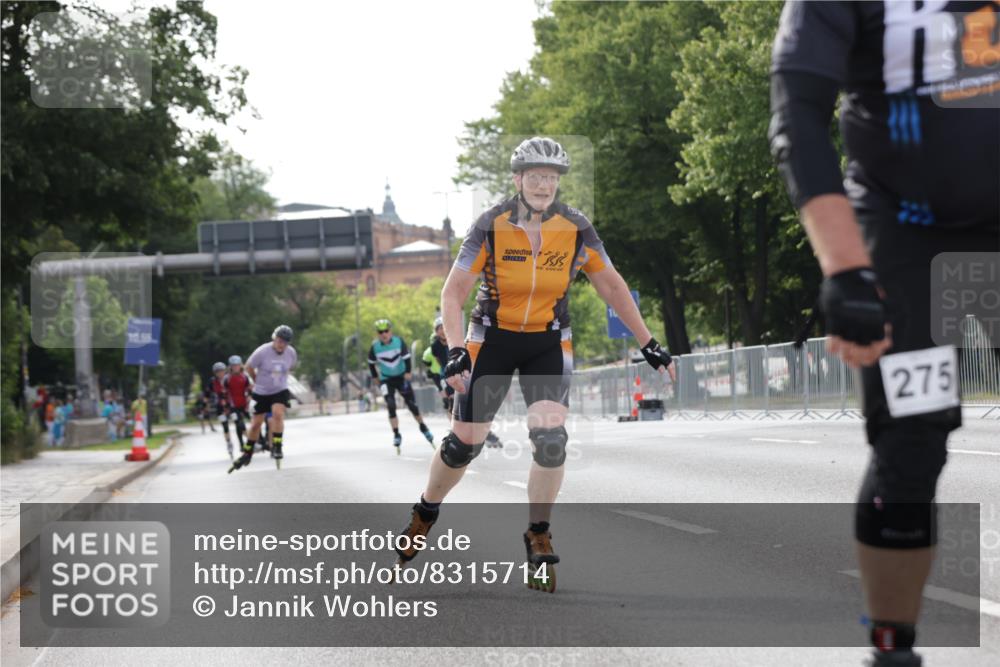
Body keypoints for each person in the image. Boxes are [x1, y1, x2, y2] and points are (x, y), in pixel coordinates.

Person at [769, 3, 999, 665]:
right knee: (911, 441)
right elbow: (798, 112)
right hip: (906, 235)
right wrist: (845, 268)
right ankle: (892, 649)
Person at [394, 136, 675, 591]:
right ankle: (426, 511)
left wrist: (648, 342)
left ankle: (538, 534)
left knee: (551, 439)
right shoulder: (489, 224)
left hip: (548, 338)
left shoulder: (576, 227)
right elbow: (454, 292)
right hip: (493, 337)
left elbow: (612, 286)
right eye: (535, 176)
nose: (544, 185)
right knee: (464, 443)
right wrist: (455, 349)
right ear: (518, 179)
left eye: (551, 177)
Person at [423, 317, 502, 448]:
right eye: (439, 329)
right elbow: (438, 363)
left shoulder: (456, 341)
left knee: (471, 403)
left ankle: (484, 431)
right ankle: (456, 430)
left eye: (444, 327)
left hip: (463, 374)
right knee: (451, 402)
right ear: (436, 332)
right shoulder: (434, 346)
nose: (442, 331)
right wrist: (441, 380)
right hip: (448, 376)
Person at [230, 325, 298, 471]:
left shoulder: (291, 353)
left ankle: (277, 446)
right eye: (280, 341)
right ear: (274, 339)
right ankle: (248, 452)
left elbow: (291, 367)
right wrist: (256, 380)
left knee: (277, 415)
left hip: (279, 389)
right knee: (256, 424)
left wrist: (281, 380)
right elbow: (248, 366)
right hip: (261, 391)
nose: (282, 345)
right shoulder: (262, 351)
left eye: (285, 343)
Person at [367, 318, 435, 453]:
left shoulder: (399, 342)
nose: (383, 334)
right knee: (391, 405)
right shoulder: (375, 348)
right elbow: (371, 363)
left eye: (386, 331)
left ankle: (423, 426)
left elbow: (407, 358)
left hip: (401, 377)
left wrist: (408, 372)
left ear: (390, 331)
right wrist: (375, 377)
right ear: (377, 334)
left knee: (412, 405)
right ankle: (396, 434)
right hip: (386, 379)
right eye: (380, 332)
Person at [223, 354, 253, 454]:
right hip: (233, 406)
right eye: (233, 365)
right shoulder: (227, 378)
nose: (235, 367)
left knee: (254, 422)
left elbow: (249, 389)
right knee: (239, 424)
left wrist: (249, 396)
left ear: (240, 365)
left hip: (244, 404)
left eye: (237, 365)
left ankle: (258, 441)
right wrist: (226, 407)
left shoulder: (244, 377)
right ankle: (242, 444)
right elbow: (224, 393)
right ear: (230, 367)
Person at [209, 361, 232, 457]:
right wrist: (206, 406)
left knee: (239, 422)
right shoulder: (212, 381)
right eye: (218, 371)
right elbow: (208, 394)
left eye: (222, 371)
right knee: (225, 426)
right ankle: (229, 443)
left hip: (231, 404)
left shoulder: (229, 379)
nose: (220, 373)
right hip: (220, 407)